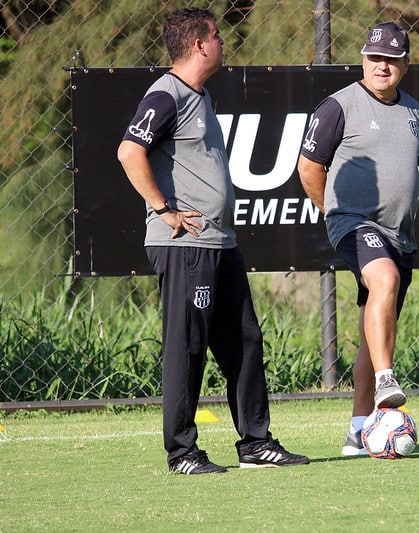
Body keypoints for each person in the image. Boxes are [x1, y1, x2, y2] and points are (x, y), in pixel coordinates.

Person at [117, 7, 309, 474]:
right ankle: (182, 452)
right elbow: (129, 151)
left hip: (220, 244)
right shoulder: (166, 95)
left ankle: (256, 444)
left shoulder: (198, 95)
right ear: (200, 45)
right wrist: (164, 211)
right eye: (218, 36)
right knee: (187, 348)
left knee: (245, 341)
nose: (224, 42)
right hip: (185, 247)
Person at [296, 22, 419, 456]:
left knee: (377, 326)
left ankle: (358, 430)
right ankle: (388, 382)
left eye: (390, 59)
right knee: (382, 281)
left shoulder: (413, 111)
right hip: (353, 223)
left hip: (400, 235)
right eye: (374, 58)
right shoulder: (338, 106)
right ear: (363, 59)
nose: (381, 66)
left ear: (405, 65)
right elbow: (309, 168)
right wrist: (332, 212)